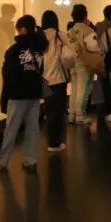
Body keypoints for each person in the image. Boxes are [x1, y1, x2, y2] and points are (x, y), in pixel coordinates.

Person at [0, 15, 48, 171]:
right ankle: (31, 160)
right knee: (32, 128)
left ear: (23, 29)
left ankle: (3, 160)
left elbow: (8, 74)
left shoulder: (14, 50)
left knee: (11, 128)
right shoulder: (39, 48)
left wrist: (6, 94)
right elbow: (41, 70)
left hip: (17, 94)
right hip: (34, 93)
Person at [40, 11, 74, 153]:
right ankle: (55, 143)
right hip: (59, 79)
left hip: (43, 79)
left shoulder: (39, 36)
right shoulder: (60, 35)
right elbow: (72, 51)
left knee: (49, 111)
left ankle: (50, 142)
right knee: (58, 111)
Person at [67, 4, 98, 125]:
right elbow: (94, 48)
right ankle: (80, 115)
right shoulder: (88, 30)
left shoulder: (70, 31)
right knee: (83, 89)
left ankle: (71, 114)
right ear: (85, 16)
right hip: (85, 63)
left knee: (74, 89)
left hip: (73, 63)